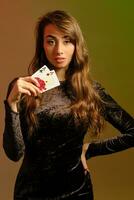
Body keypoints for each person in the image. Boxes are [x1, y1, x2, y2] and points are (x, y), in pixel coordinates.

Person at [3, 10, 134, 200]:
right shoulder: (24, 87)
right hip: (31, 193)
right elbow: (15, 154)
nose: (59, 50)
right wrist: (12, 103)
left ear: (76, 44)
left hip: (78, 191)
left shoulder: (90, 91)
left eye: (67, 40)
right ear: (42, 45)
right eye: (51, 41)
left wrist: (90, 149)